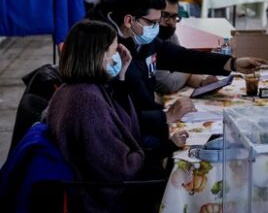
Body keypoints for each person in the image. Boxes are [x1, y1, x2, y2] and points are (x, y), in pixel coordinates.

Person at [88, 0, 266, 144]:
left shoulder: (139, 37)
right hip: (130, 138)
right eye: (153, 23)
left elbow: (180, 56)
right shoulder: (106, 51)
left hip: (150, 117)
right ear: (129, 20)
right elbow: (112, 115)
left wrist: (232, 63)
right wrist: (165, 116)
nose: (157, 28)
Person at [47, 20, 189, 212]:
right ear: (100, 56)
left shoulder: (73, 88)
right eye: (114, 51)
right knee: (182, 180)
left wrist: (121, 75)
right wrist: (164, 148)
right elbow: (120, 167)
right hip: (107, 196)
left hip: (102, 182)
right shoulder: (87, 102)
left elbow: (125, 126)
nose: (118, 56)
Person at [155, 0, 218, 93]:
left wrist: (203, 83)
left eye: (174, 17)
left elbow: (182, 63)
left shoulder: (170, 35)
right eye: (165, 15)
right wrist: (188, 70)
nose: (170, 22)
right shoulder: (149, 42)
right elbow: (167, 85)